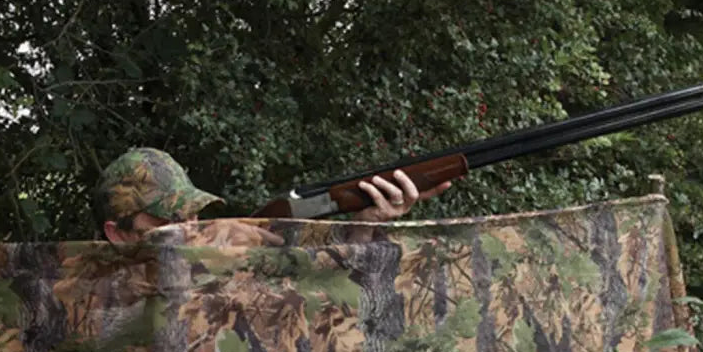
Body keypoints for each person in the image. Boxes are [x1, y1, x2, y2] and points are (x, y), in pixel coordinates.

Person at [95, 147, 452, 245]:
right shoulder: (85, 302)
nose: (190, 228)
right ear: (117, 234)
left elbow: (321, 294)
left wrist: (363, 226)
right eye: (170, 220)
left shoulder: (218, 264)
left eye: (192, 215)